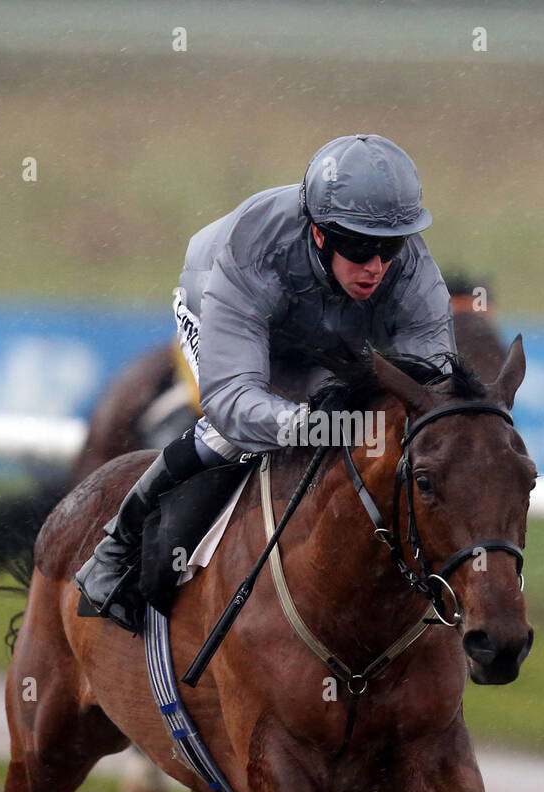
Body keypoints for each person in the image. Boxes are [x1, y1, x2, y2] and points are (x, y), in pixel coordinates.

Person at [74, 134, 455, 631]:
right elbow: (232, 398)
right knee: (239, 433)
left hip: (322, 327)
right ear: (320, 233)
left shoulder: (410, 270)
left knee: (364, 421)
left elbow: (434, 383)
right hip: (220, 296)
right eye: (360, 248)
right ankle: (116, 550)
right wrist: (301, 422)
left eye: (389, 248)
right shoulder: (254, 246)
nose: (376, 267)